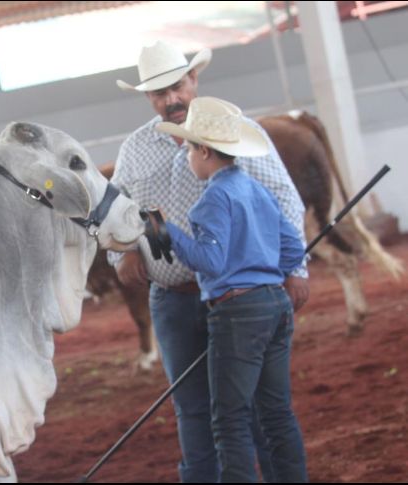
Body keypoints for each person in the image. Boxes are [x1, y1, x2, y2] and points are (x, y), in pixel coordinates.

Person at [110, 41, 309, 482]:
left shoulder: (238, 132)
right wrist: (120, 250)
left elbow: (286, 204)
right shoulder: (135, 149)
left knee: (244, 411)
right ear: (147, 97)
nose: (171, 99)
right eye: (159, 93)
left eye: (176, 86)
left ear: (193, 80)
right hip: (178, 299)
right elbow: (119, 207)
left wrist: (295, 270)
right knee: (199, 410)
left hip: (236, 297)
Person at [155, 96, 308, 482]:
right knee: (276, 412)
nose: (187, 157)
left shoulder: (211, 200)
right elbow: (291, 248)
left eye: (189, 148)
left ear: (204, 150)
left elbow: (209, 261)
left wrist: (167, 230)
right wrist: (260, 261)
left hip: (237, 312)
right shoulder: (256, 190)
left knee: (230, 419)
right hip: (274, 304)